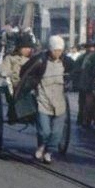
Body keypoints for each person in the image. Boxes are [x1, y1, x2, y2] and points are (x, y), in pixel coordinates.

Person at [17, 35, 74, 164]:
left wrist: (70, 81)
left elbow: (76, 71)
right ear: (50, 49)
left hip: (59, 100)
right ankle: (41, 146)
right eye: (55, 50)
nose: (57, 53)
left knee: (57, 132)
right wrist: (31, 82)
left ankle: (49, 151)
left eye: (60, 51)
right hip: (43, 98)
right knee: (44, 130)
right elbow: (24, 72)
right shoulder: (40, 60)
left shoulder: (66, 61)